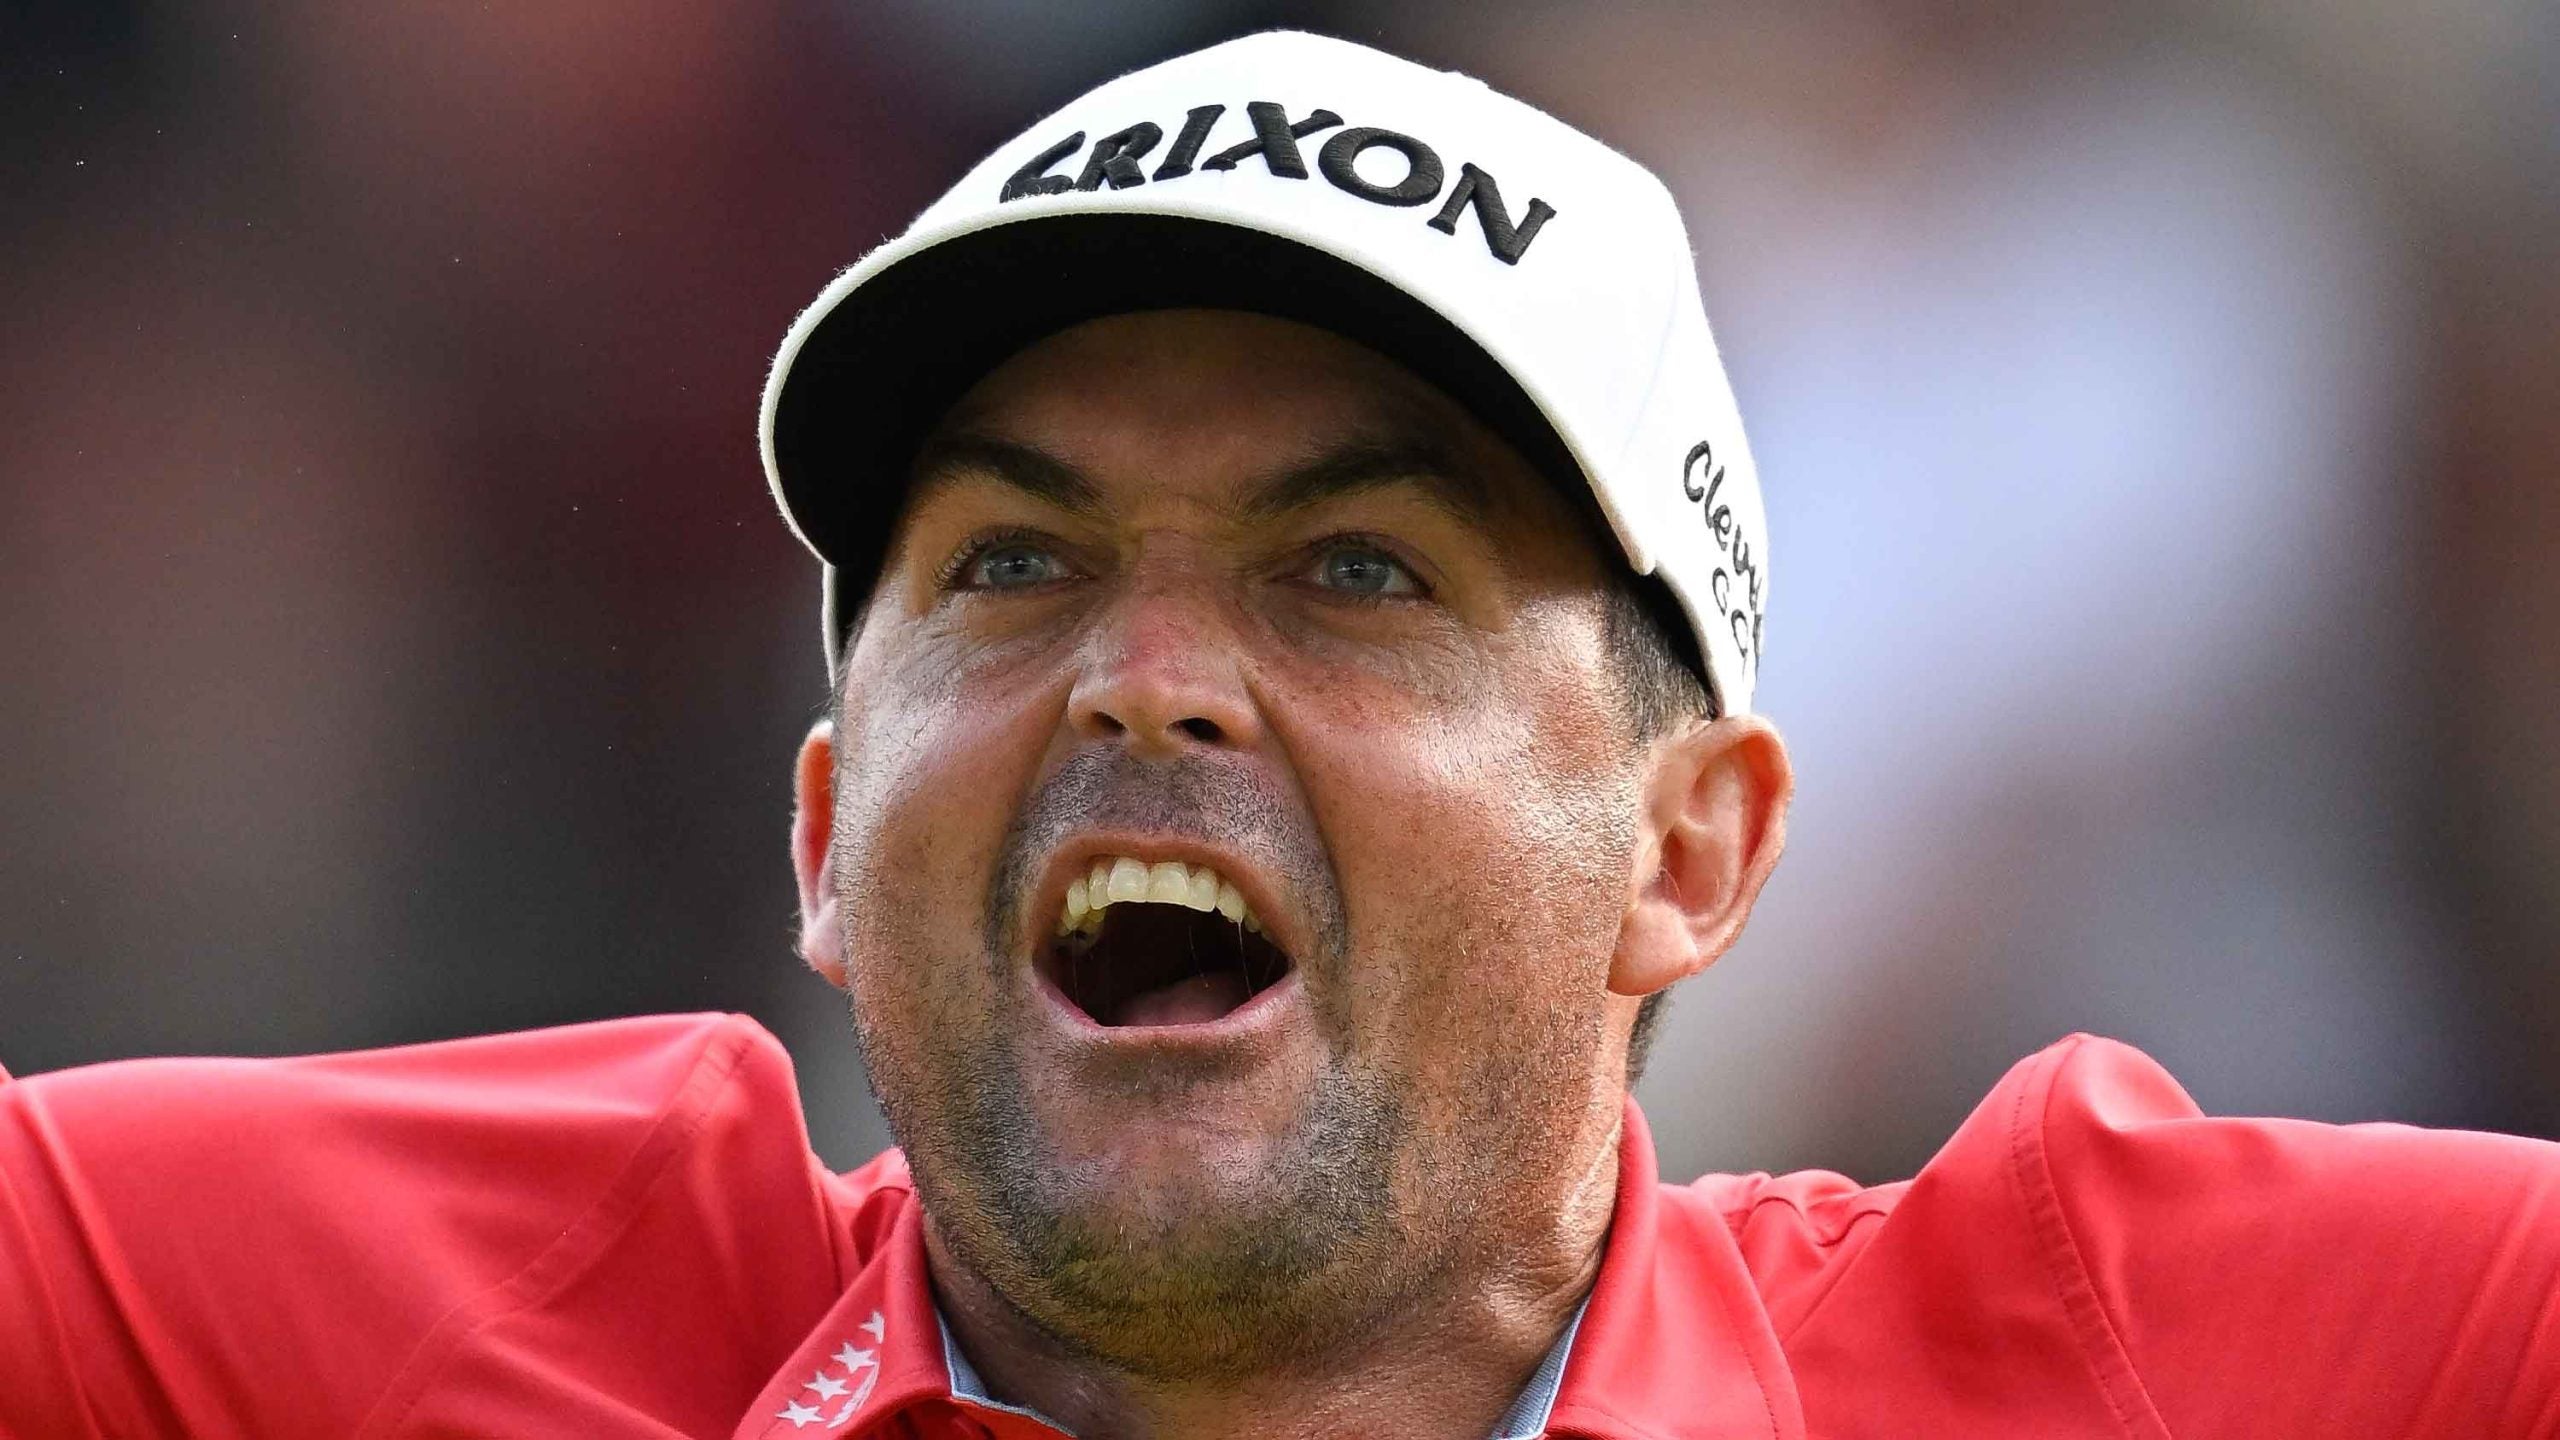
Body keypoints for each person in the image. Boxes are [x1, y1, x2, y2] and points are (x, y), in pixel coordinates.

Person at [3, 29, 2555, 1440]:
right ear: (820, 830)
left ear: (1689, 848)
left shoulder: (2125, 1363)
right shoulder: (437, 1315)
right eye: (1010, 563)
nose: (1143, 673)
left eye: (1356, 570)